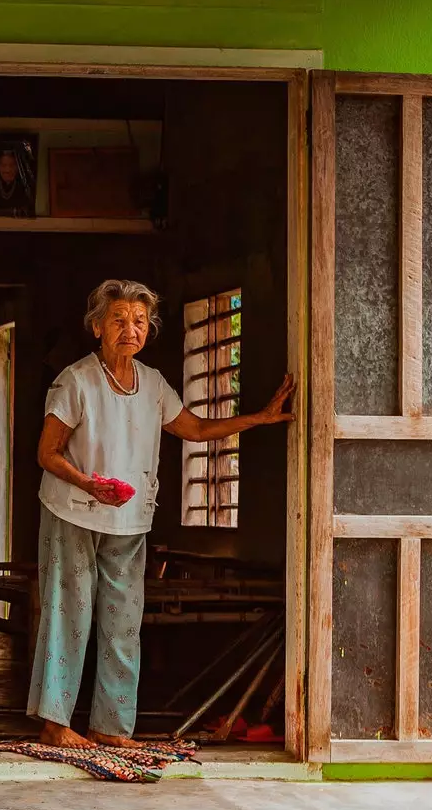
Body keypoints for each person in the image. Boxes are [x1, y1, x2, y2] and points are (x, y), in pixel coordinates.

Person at [30, 279, 294, 748]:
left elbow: (192, 428)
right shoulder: (76, 381)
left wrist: (257, 418)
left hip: (129, 520)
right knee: (68, 614)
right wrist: (88, 482)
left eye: (139, 321)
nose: (130, 329)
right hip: (73, 512)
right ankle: (55, 723)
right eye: (118, 320)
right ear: (97, 328)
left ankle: (110, 727)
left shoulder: (152, 383)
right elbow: (47, 453)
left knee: (123, 623)